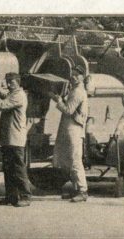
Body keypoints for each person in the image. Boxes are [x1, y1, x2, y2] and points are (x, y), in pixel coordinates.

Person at [0, 72, 32, 207]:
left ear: (18, 82)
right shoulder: (13, 93)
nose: (8, 84)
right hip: (9, 138)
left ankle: (25, 196)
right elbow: (6, 96)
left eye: (11, 82)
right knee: (8, 168)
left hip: (15, 138)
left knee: (18, 168)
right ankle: (11, 196)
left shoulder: (19, 95)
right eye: (7, 81)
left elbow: (3, 105)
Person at [50, 68, 89, 202]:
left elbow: (68, 110)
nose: (73, 77)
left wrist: (58, 100)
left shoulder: (78, 92)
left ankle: (83, 191)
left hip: (74, 129)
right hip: (69, 129)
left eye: (76, 75)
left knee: (75, 160)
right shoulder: (75, 90)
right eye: (71, 75)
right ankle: (76, 188)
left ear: (82, 77)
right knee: (69, 160)